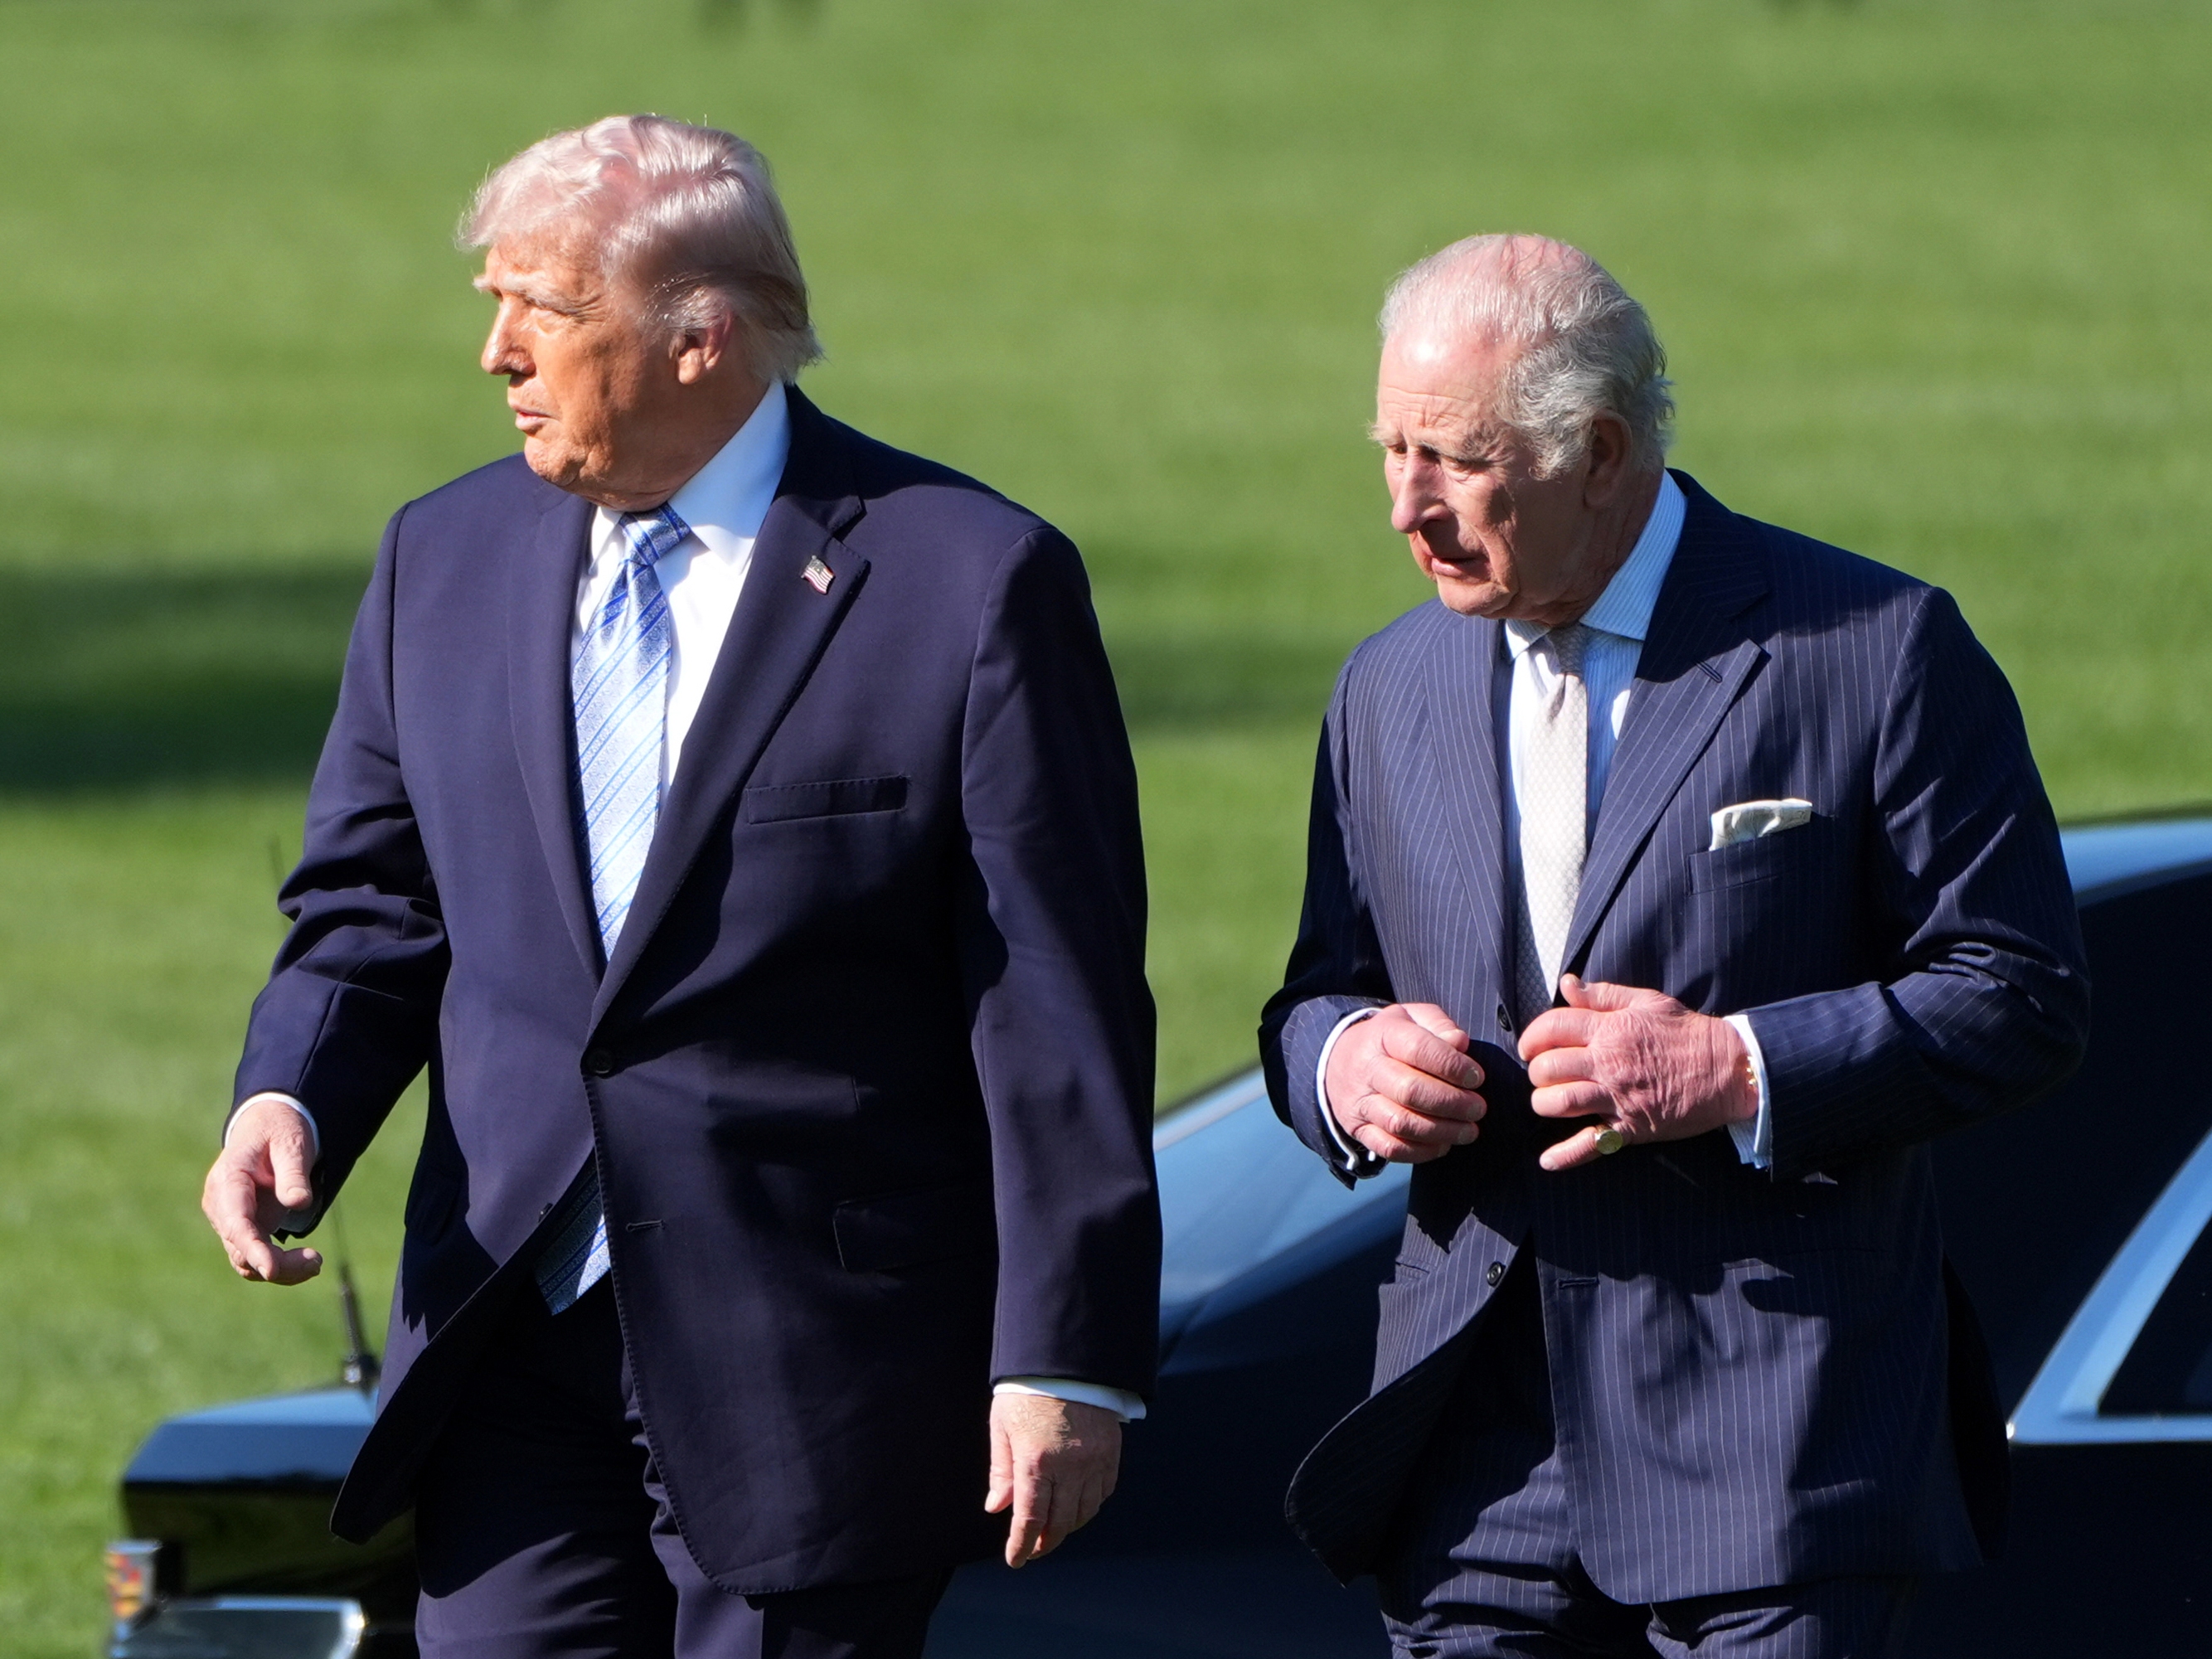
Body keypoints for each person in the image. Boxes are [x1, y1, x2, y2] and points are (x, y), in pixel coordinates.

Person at [199, 115, 1159, 1659]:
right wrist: (289, 1098)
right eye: (492, 304)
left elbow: (1054, 1001)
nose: (498, 354)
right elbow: (373, 908)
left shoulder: (967, 582)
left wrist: (1065, 1356)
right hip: (507, 1341)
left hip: (810, 1366)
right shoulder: (437, 558)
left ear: (702, 339)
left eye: (546, 311)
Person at [1259, 235, 2088, 1659]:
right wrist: (1345, 1064)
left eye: (1455, 458)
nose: (1408, 505)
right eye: (1391, 449)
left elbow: (2020, 989)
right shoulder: (1388, 686)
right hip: (1475, 1461)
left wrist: (1736, 1064)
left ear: (1597, 448)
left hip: (1771, 1456)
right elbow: (1317, 987)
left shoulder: (1873, 647)